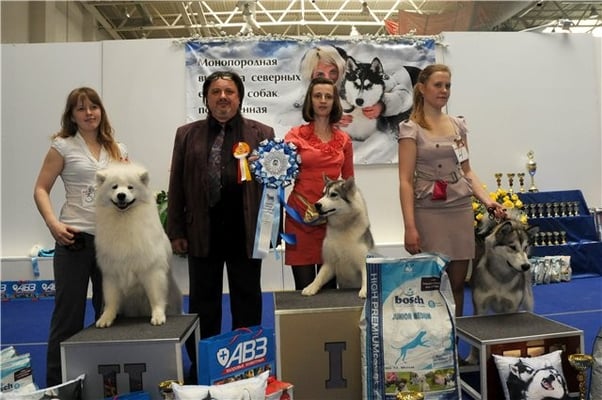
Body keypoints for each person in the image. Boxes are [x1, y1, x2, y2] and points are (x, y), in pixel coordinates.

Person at [166, 70, 275, 382]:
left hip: (245, 232)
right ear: (206, 98)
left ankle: (246, 366)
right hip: (202, 232)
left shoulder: (262, 133)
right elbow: (176, 185)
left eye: (229, 91)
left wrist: (270, 231)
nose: (223, 97)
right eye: (216, 92)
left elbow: (273, 187)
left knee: (247, 300)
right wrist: (176, 230)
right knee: (203, 304)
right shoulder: (186, 134)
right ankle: (203, 366)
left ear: (240, 97)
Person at [33, 87, 128, 386]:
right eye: (81, 108)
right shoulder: (62, 147)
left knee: (109, 315)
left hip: (110, 243)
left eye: (93, 107)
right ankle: (58, 386)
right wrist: (53, 224)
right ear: (72, 116)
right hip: (73, 239)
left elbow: (129, 192)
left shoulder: (118, 150)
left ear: (101, 111)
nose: (89, 113)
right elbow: (40, 189)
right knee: (68, 318)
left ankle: (106, 384)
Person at [397, 64, 505, 318]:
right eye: (438, 85)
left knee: (457, 284)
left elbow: (467, 171)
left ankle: (455, 334)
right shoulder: (411, 128)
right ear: (422, 88)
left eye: (447, 86)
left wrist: (488, 202)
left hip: (459, 209)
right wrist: (410, 227)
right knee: (431, 285)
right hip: (428, 212)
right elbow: (405, 181)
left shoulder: (458, 126)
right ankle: (432, 335)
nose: (444, 90)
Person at [284, 77, 354, 290]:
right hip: (299, 218)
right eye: (317, 96)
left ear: (335, 102)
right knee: (303, 289)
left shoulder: (344, 140)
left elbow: (349, 185)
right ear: (310, 100)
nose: (323, 100)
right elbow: (278, 168)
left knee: (329, 290)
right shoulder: (294, 135)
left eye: (328, 96)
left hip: (332, 222)